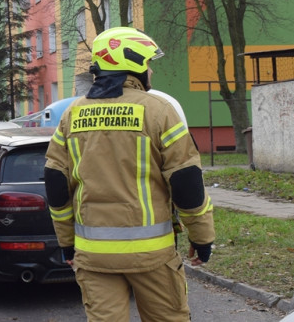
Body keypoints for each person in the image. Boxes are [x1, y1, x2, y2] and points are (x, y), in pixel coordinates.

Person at [44, 27, 214, 322]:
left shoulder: (72, 114)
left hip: (93, 256)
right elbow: (186, 184)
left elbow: (56, 184)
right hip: (152, 255)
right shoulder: (159, 111)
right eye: (148, 63)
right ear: (132, 62)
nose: (151, 71)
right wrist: (201, 238)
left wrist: (67, 242)